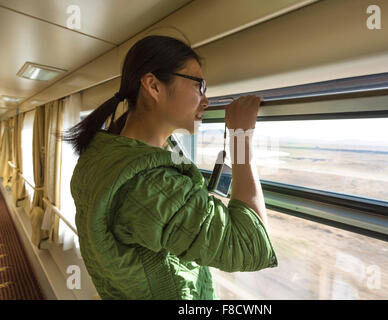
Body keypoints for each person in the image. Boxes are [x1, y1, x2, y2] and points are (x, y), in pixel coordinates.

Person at [63, 35, 277, 300]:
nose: (206, 101)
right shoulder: (148, 185)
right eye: (200, 86)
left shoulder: (103, 154)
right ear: (153, 86)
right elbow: (249, 246)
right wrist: (241, 138)